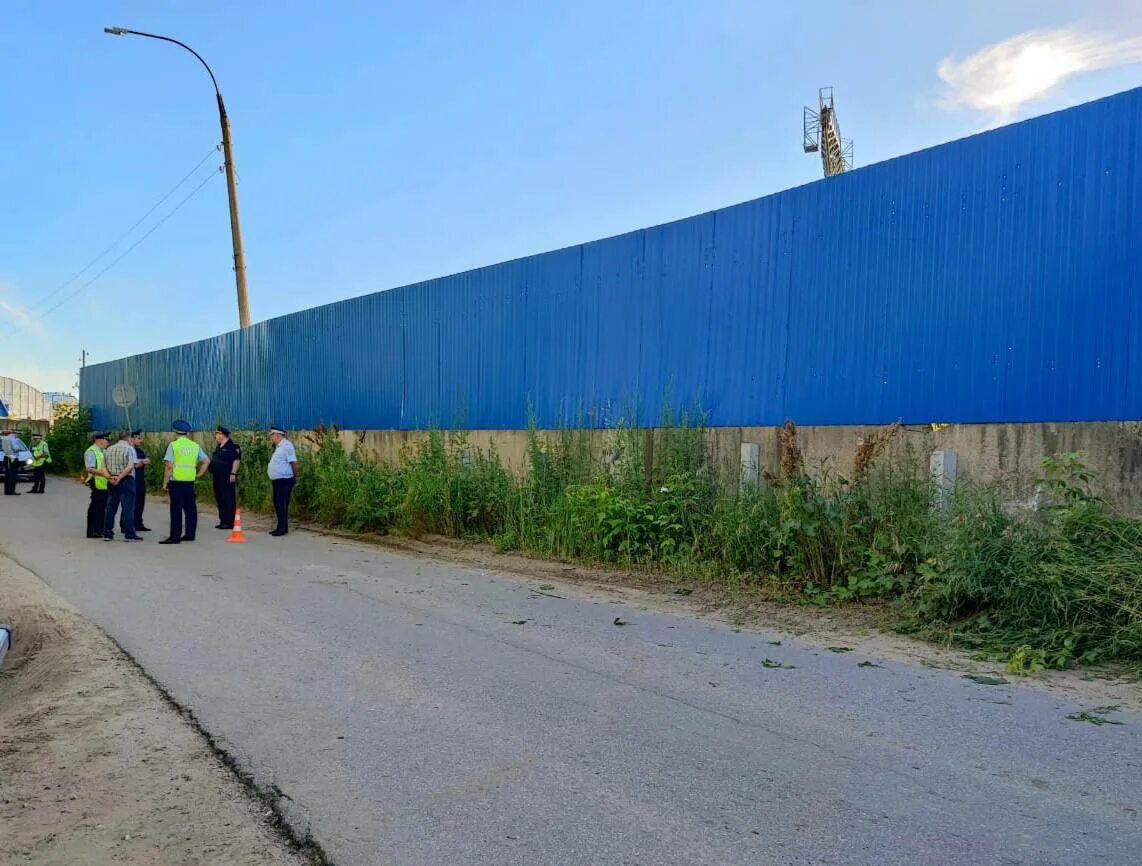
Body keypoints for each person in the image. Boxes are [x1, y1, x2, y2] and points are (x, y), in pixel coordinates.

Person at [160, 419, 209, 545]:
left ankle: (175, 536)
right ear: (187, 433)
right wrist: (199, 474)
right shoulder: (195, 446)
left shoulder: (173, 445)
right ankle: (190, 534)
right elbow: (207, 461)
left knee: (176, 510)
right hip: (189, 482)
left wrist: (165, 483)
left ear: (175, 432)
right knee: (190, 509)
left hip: (176, 482)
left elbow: (169, 466)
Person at [103, 431, 142, 542]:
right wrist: (120, 477)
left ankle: (107, 533)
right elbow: (130, 466)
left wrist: (109, 477)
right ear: (129, 439)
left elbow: (103, 466)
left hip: (112, 480)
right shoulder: (130, 449)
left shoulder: (109, 449)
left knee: (111, 507)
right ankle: (129, 533)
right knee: (128, 508)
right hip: (126, 480)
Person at [267, 425, 298, 536]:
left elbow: (293, 462)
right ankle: (280, 526)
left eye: (272, 435)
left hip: (284, 480)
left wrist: (295, 476)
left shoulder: (287, 446)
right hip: (278, 481)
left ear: (278, 435)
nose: (271, 438)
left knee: (282, 504)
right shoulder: (279, 447)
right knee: (278, 504)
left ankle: (282, 528)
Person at [209, 425, 242, 530]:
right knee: (220, 499)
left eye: (217, 434)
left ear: (222, 435)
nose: (215, 436)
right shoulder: (219, 447)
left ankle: (230, 522)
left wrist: (233, 473)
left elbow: (236, 460)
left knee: (228, 499)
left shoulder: (233, 447)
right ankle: (223, 521)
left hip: (227, 477)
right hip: (217, 477)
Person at [84, 432, 112, 538]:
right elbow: (89, 468)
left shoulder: (104, 451)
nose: (108, 442)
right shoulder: (91, 451)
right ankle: (92, 531)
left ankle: (100, 529)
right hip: (95, 482)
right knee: (95, 507)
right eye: (106, 440)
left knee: (102, 507)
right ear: (100, 440)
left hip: (104, 483)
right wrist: (105, 473)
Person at [130, 429, 152, 532]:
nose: (140, 440)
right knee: (131, 504)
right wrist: (143, 461)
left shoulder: (139, 450)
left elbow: (148, 458)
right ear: (132, 439)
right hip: (132, 480)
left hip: (140, 481)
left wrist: (143, 461)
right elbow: (135, 464)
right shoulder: (129, 450)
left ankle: (138, 523)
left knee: (140, 503)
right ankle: (129, 524)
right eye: (138, 438)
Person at [1, 429, 22, 495]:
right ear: (16, 433)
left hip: (6, 457)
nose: (19, 435)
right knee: (13, 475)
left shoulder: (5, 438)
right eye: (19, 434)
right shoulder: (13, 439)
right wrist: (19, 449)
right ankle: (12, 491)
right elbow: (15, 448)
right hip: (12, 457)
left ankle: (7, 491)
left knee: (7, 475)